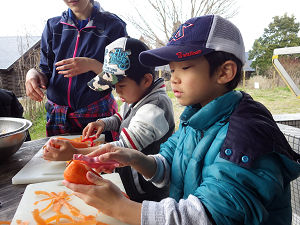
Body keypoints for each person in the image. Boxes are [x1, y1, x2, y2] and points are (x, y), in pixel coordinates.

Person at [62, 15, 300, 225]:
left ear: (224, 72)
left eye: (184, 67)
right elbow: (168, 164)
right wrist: (134, 158)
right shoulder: (195, 118)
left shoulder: (247, 135)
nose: (173, 79)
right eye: (172, 69)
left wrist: (121, 208)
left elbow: (210, 216)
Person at [44, 37, 175, 202]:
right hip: (130, 179)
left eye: (121, 86)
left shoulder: (155, 108)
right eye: (114, 87)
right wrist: (103, 123)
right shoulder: (136, 96)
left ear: (146, 80)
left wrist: (75, 152)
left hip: (148, 190)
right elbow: (122, 117)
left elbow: (124, 147)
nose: (117, 93)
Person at [25, 0, 127, 141]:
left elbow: (119, 78)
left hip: (96, 117)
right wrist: (32, 74)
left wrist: (91, 64)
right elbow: (46, 72)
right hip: (58, 118)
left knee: (97, 161)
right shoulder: (53, 27)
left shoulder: (113, 26)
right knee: (60, 162)